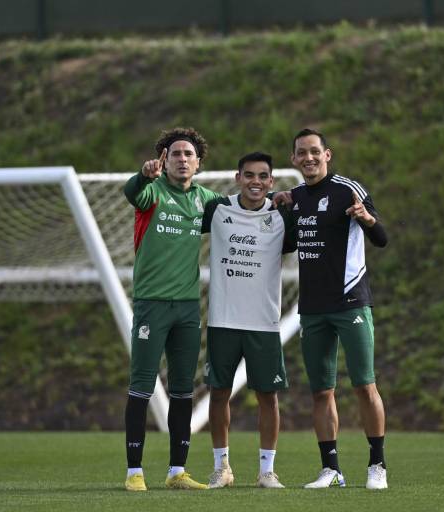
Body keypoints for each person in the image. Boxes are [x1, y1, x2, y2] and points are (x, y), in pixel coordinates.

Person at [289, 128, 389, 490]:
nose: (309, 158)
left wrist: (366, 218)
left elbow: (381, 239)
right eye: (302, 153)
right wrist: (275, 203)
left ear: (327, 154)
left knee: (365, 385)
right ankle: (331, 470)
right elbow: (287, 242)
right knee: (321, 392)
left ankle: (377, 465)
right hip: (313, 308)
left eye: (315, 152)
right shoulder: (296, 198)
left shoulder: (349, 189)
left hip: (350, 302)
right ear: (294, 159)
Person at [122, 127, 220, 491]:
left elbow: (240, 211)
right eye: (174, 153)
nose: (182, 159)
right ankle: (134, 472)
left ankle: (177, 471)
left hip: (187, 309)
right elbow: (132, 192)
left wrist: (276, 198)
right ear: (163, 161)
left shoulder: (205, 199)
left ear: (198, 162)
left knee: (183, 390)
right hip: (151, 305)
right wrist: (141, 175)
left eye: (188, 154)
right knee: (141, 387)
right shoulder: (151, 192)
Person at [201, 152, 296, 490]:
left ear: (271, 182)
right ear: (237, 177)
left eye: (263, 176)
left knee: (268, 397)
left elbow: (314, 217)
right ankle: (221, 467)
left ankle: (266, 471)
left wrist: (288, 199)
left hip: (264, 323)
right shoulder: (216, 209)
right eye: (249, 175)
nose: (256, 181)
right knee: (218, 393)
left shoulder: (282, 214)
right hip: (223, 320)